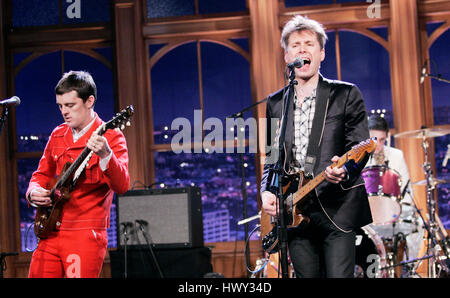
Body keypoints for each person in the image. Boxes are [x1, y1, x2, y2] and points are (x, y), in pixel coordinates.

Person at [260, 15, 372, 278]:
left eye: (309, 44)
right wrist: (267, 191)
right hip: (295, 210)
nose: (302, 49)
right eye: (295, 45)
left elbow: (359, 145)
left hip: (337, 206)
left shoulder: (345, 94)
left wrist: (345, 170)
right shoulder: (275, 103)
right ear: (287, 56)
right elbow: (271, 156)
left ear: (321, 53)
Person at [26, 70, 130, 278]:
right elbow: (41, 174)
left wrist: (106, 154)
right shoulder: (57, 135)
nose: (64, 112)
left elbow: (122, 185)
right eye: (61, 106)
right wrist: (33, 192)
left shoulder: (111, 136)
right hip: (50, 230)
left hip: (84, 234)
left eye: (70, 105)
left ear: (89, 101)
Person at [364, 114, 424, 265]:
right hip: (367, 214)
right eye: (374, 139)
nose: (378, 145)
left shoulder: (397, 155)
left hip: (393, 211)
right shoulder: (359, 158)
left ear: (387, 138)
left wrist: (398, 211)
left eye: (382, 140)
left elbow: (407, 189)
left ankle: (408, 268)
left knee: (417, 225)